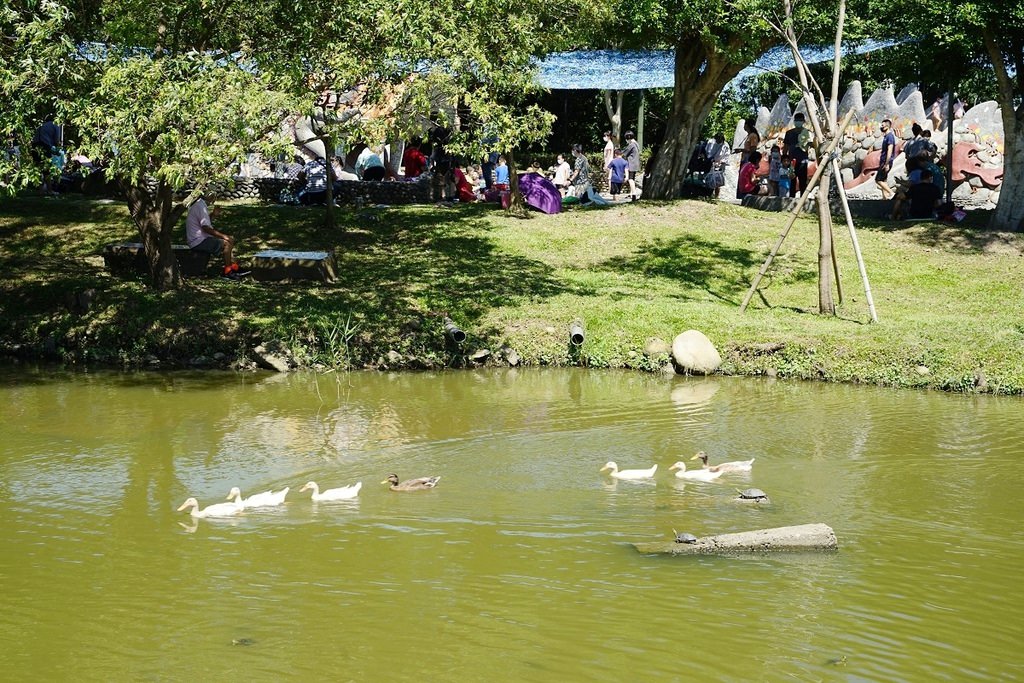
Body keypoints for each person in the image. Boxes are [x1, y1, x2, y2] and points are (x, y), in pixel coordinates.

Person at [185, 196, 247, 280]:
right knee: (226, 243)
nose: (215, 198)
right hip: (198, 241)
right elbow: (205, 228)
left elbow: (204, 223)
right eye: (214, 195)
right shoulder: (200, 206)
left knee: (229, 241)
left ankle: (233, 267)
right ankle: (228, 271)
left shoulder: (200, 204)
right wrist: (223, 236)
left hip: (200, 239)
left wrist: (213, 215)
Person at [782, 113, 811, 197]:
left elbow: (811, 144)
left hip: (803, 161)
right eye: (797, 120)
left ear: (803, 121)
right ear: (794, 121)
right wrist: (784, 159)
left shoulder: (807, 133)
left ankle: (803, 199)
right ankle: (791, 198)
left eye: (800, 120)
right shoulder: (789, 133)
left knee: (803, 181)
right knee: (792, 181)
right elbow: (785, 147)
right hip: (792, 161)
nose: (798, 122)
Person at [875, 118, 897, 200]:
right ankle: (885, 198)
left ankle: (891, 193)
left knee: (878, 180)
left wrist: (887, 163)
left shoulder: (890, 136)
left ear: (887, 126)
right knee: (884, 180)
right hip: (883, 161)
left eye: (882, 125)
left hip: (886, 162)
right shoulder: (886, 136)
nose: (881, 126)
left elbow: (890, 150)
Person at [705, 133, 730, 199]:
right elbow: (706, 151)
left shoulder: (725, 145)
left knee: (717, 182)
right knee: (707, 179)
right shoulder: (711, 142)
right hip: (709, 163)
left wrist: (721, 162)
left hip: (719, 165)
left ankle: (716, 196)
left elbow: (726, 156)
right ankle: (706, 194)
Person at [621, 131, 641, 199]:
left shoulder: (631, 145)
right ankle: (631, 193)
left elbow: (624, 153)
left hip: (631, 164)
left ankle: (634, 194)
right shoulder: (636, 144)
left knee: (630, 179)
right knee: (632, 178)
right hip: (636, 164)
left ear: (628, 138)